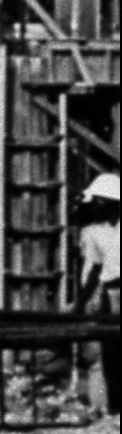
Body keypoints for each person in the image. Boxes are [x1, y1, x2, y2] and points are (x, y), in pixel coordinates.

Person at [77, 171, 122, 421]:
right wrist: (81, 303)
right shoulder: (96, 232)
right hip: (111, 293)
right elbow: (95, 270)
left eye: (99, 202)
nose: (95, 207)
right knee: (110, 354)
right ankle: (112, 407)